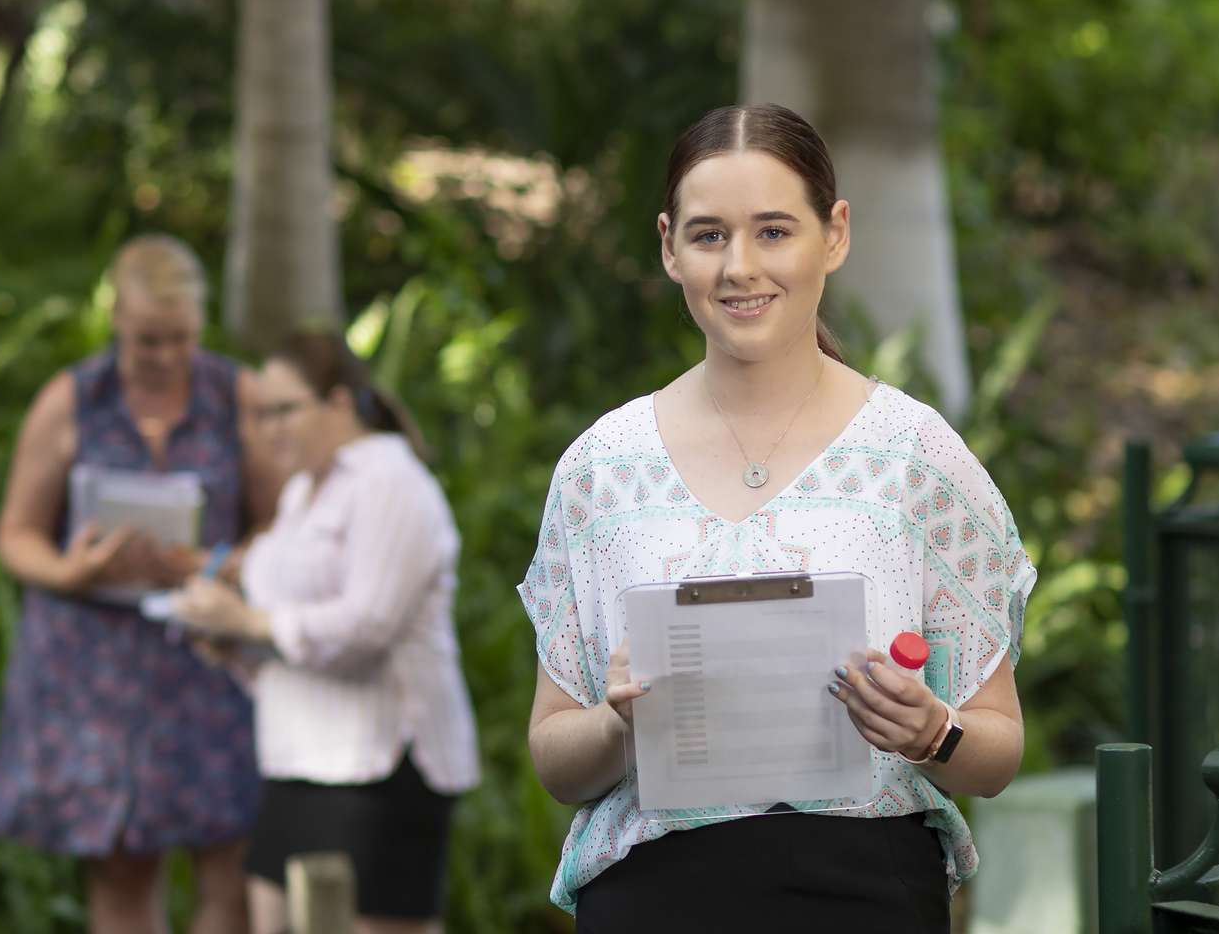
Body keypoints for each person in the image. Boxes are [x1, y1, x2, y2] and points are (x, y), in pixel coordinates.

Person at [518, 104, 1034, 931]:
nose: (740, 267)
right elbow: (555, 757)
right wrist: (619, 726)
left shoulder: (916, 456)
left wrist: (933, 732)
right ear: (667, 246)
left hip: (864, 895)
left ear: (834, 235)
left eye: (773, 231)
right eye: (709, 235)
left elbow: (998, 748)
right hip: (653, 898)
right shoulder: (600, 470)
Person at [0, 235, 258, 934]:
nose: (163, 356)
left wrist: (215, 562)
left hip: (209, 661)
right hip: (96, 669)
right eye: (146, 341)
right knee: (123, 866)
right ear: (116, 325)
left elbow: (289, 530)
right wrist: (74, 571)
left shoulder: (237, 396)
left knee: (233, 869)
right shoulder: (72, 400)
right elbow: (16, 534)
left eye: (180, 339)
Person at [168, 330, 480, 934]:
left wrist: (246, 621)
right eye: (258, 415)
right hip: (296, 757)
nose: (267, 430)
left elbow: (367, 625)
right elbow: (288, 637)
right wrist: (230, 643)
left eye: (283, 410)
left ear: (338, 403)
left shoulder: (391, 480)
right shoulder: (302, 492)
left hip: (379, 766)